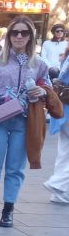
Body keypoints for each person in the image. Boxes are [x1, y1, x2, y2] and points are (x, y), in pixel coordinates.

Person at [0, 15, 52, 228]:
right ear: (8, 36)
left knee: (15, 168)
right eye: (15, 32)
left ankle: (9, 210)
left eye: (24, 32)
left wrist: (42, 91)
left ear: (30, 37)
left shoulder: (39, 64)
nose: (19, 36)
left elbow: (48, 89)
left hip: (24, 122)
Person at [44, 56, 69, 204]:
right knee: (64, 152)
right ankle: (57, 183)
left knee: (64, 152)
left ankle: (60, 193)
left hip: (64, 109)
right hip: (66, 108)